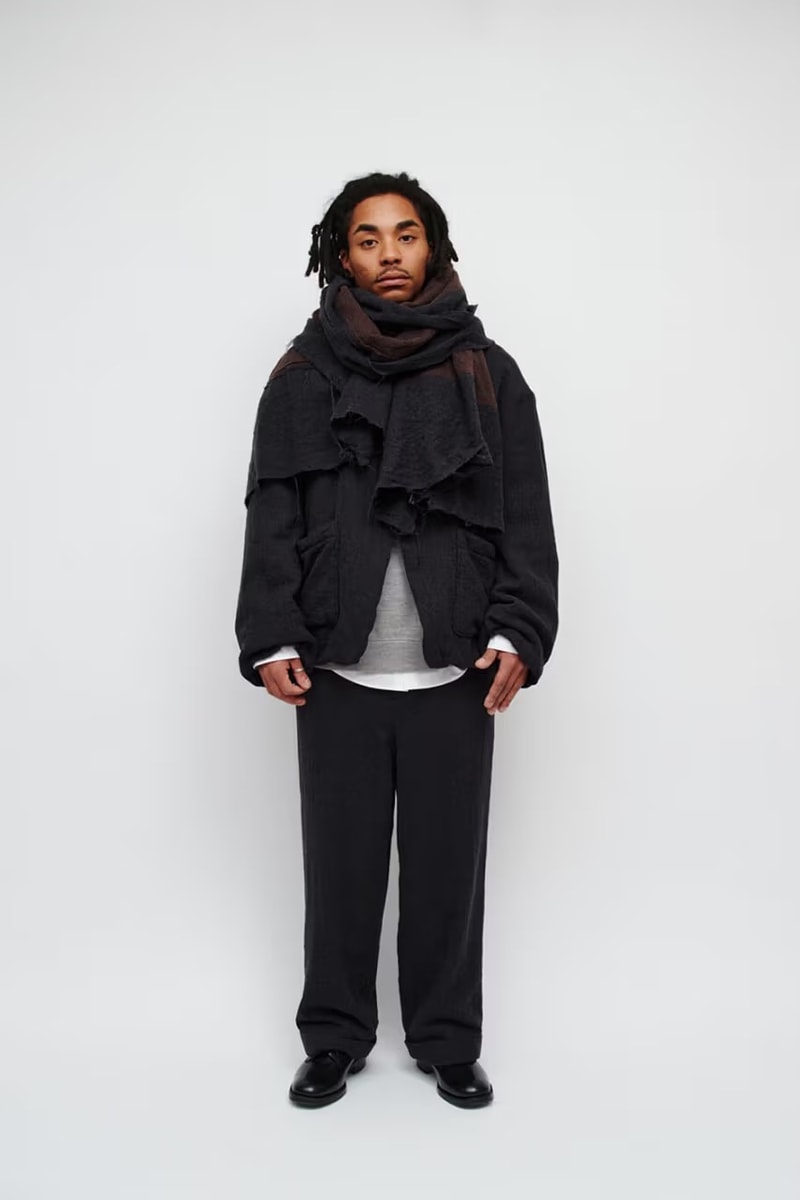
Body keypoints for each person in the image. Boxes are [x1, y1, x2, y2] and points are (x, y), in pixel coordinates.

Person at [234, 171, 559, 1109]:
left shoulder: (490, 372)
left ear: (434, 246)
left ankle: (448, 1040)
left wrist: (519, 627)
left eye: (405, 235)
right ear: (341, 256)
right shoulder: (303, 374)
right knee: (338, 867)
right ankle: (334, 1036)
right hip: (337, 665)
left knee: (449, 867)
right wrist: (271, 633)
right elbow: (273, 511)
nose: (389, 254)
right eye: (368, 238)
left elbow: (527, 513)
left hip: (458, 662)